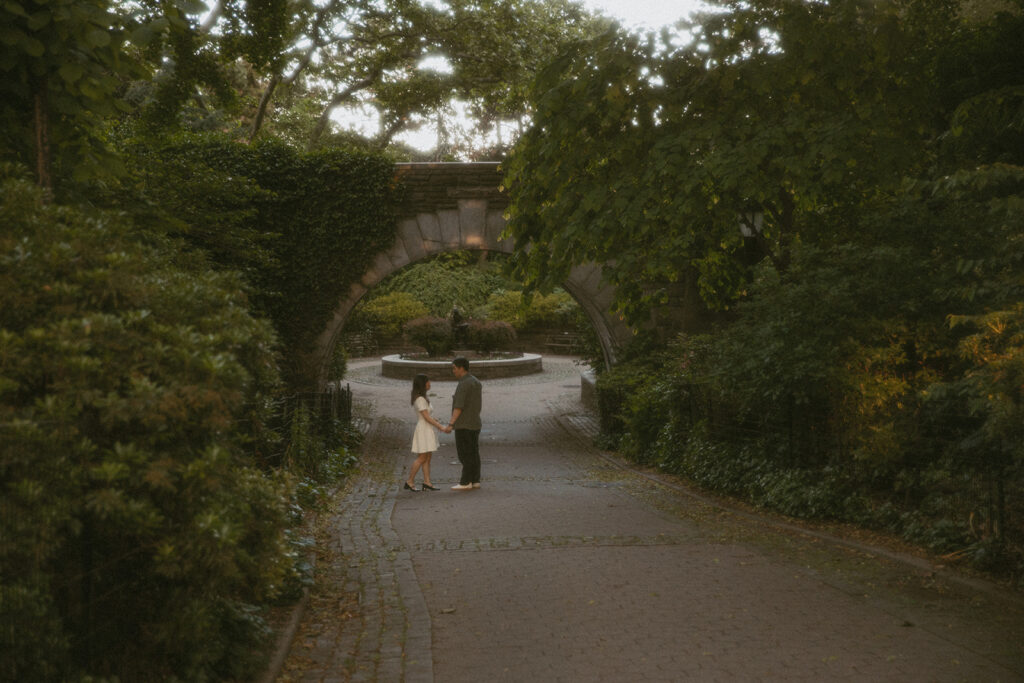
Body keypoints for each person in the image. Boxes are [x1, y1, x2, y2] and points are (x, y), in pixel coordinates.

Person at [406, 374, 450, 492]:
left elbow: (426, 416)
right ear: (423, 384)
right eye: (427, 381)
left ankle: (427, 482)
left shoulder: (422, 398)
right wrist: (440, 426)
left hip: (427, 428)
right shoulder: (420, 399)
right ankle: (410, 481)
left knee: (427, 457)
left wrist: (434, 420)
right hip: (424, 429)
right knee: (422, 457)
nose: (429, 383)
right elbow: (425, 417)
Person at [447, 357, 482, 490]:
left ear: (461, 368)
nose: (453, 371)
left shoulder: (463, 384)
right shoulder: (476, 381)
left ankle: (465, 481)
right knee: (474, 452)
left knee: (464, 453)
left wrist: (451, 424)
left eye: (454, 368)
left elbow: (459, 406)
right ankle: (475, 480)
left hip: (464, 424)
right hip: (475, 423)